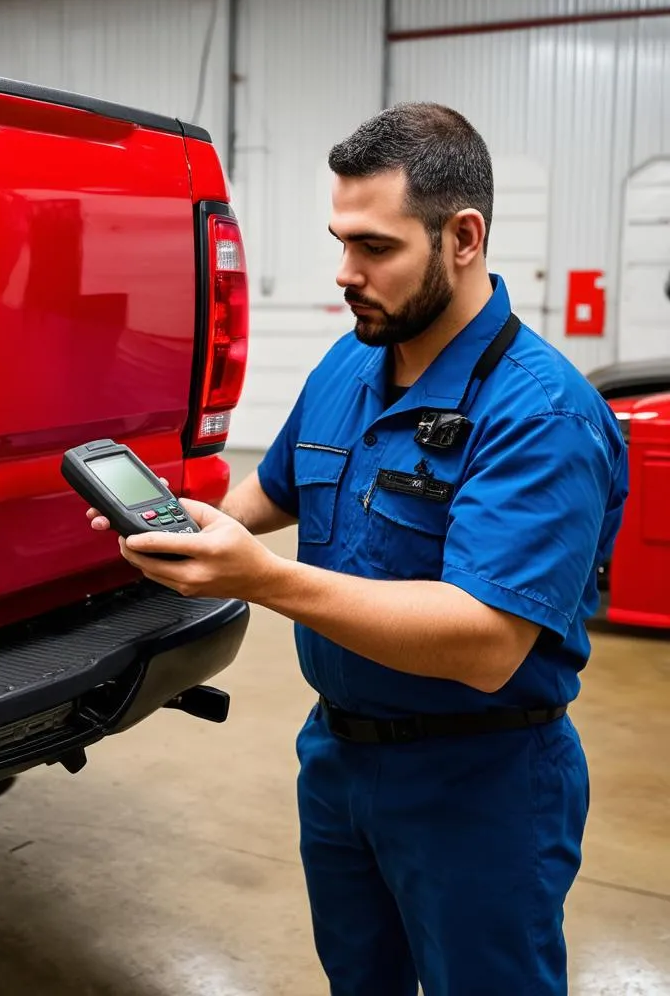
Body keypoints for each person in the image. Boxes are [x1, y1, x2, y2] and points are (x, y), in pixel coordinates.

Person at [86, 101, 629, 995]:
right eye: (340, 241)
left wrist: (262, 579)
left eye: (375, 248)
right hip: (338, 761)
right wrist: (178, 520)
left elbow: (485, 642)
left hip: (480, 782)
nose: (345, 273)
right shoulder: (352, 364)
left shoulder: (543, 416)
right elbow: (276, 490)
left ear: (463, 237)